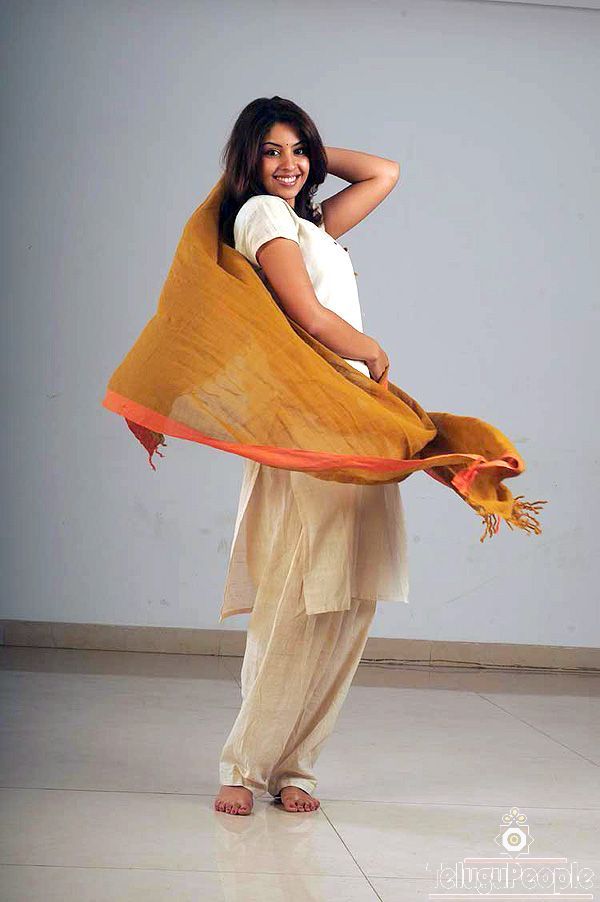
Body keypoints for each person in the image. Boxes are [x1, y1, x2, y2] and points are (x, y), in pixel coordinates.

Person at [214, 96, 409, 815]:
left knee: (349, 600)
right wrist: (373, 350)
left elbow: (384, 173)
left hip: (354, 420)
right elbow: (308, 316)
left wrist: (312, 153)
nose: (289, 164)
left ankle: (298, 766)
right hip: (308, 419)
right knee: (297, 594)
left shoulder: (308, 225)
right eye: (271, 150)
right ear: (248, 158)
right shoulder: (262, 216)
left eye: (299, 150)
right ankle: (243, 765)